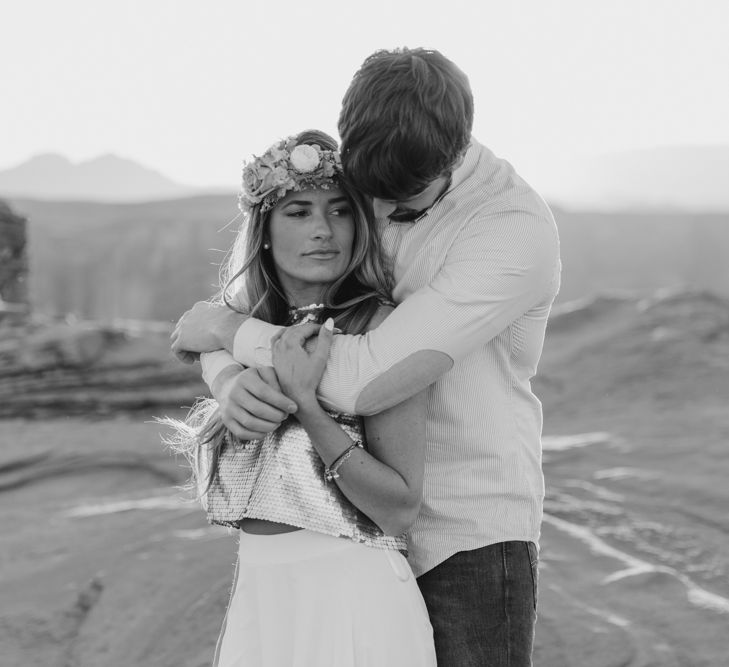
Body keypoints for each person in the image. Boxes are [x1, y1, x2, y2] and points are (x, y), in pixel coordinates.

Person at [173, 48, 561, 667]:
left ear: (453, 149)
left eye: (391, 197)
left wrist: (222, 329)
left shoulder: (509, 232)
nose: (363, 214)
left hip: (466, 534)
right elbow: (259, 303)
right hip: (344, 531)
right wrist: (221, 375)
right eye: (365, 195)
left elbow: (358, 380)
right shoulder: (367, 171)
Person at [167, 130, 436, 667]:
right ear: (263, 231)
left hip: (353, 592)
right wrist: (220, 370)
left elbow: (400, 509)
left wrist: (310, 409)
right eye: (298, 212)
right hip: (261, 593)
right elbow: (186, 334)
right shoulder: (243, 331)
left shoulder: (378, 329)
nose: (322, 230)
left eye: (339, 210)